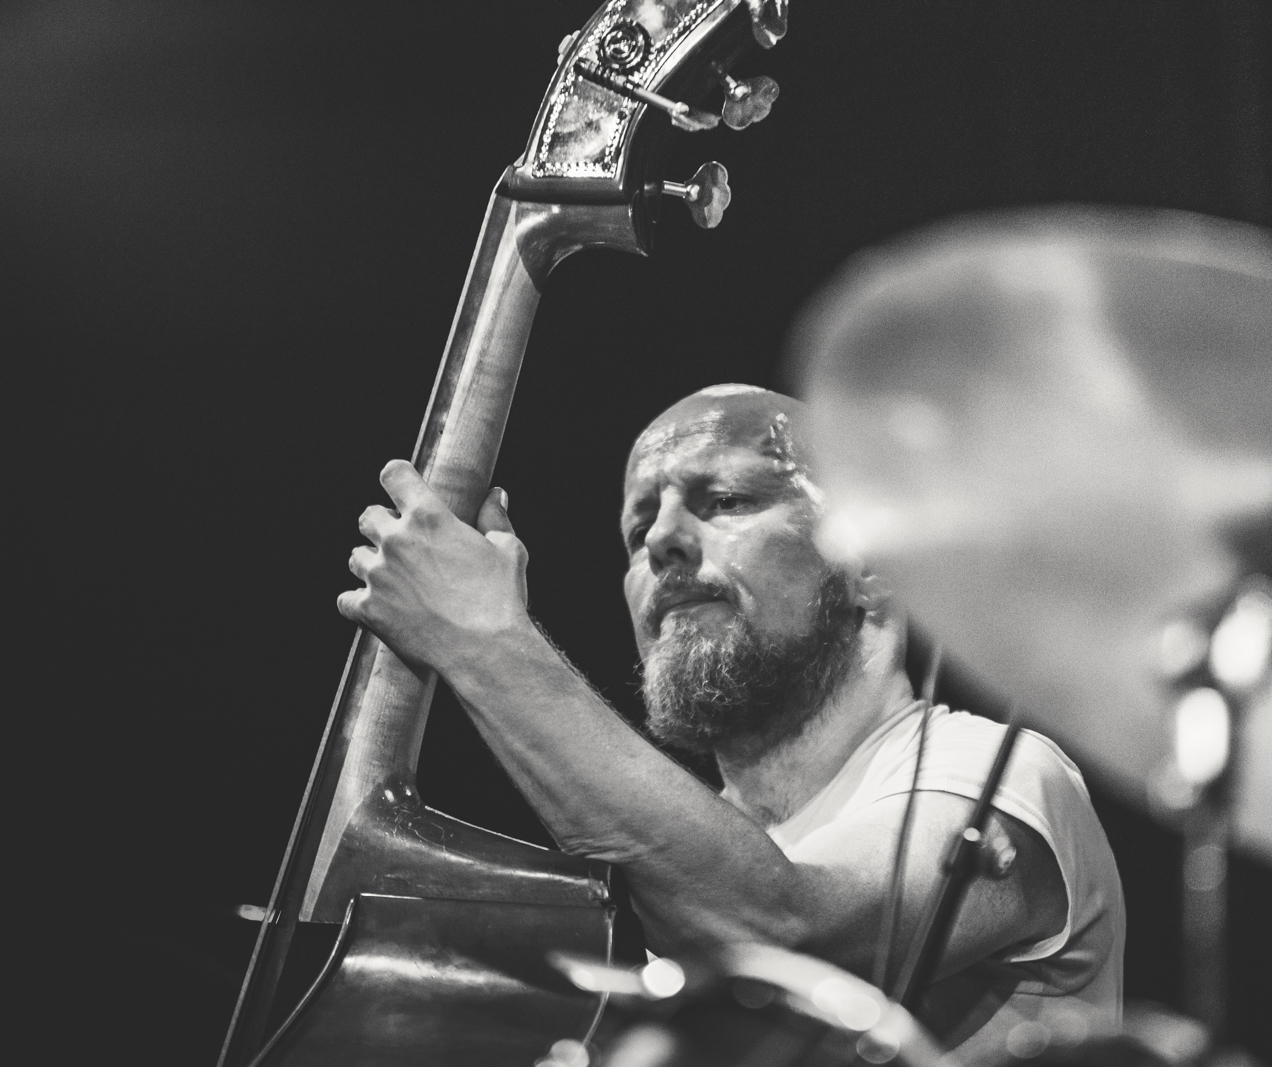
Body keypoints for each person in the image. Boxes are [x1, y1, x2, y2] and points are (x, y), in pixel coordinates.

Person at [337, 383, 1124, 1046]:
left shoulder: (1002, 775)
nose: (662, 541)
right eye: (637, 528)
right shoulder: (669, 890)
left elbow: (784, 936)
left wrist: (486, 643)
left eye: (725, 500)